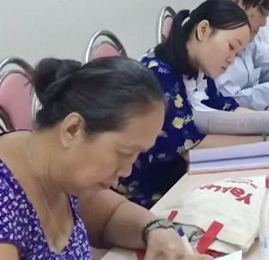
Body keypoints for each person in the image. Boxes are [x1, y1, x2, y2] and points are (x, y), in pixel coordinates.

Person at [0, 57, 209, 259]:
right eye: (124, 153)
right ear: (73, 129)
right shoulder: (6, 197)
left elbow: (111, 215)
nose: (127, 170)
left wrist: (155, 229)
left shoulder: (58, 167)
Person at [118, 0, 269, 208]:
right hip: (156, 194)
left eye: (237, 54)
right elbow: (192, 147)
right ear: (203, 30)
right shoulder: (159, 75)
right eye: (231, 47)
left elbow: (226, 108)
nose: (232, 59)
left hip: (188, 178)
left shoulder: (196, 70)